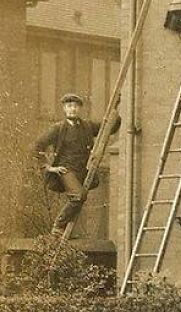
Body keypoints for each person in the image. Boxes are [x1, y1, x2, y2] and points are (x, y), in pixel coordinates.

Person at [35, 93, 120, 235]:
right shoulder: (58, 128)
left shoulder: (86, 126)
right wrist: (48, 167)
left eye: (75, 106)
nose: (72, 109)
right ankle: (58, 225)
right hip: (66, 170)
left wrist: (116, 109)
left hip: (82, 170)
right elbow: (38, 145)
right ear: (64, 109)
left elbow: (109, 128)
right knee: (78, 195)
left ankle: (69, 231)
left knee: (79, 199)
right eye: (69, 106)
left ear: (79, 109)